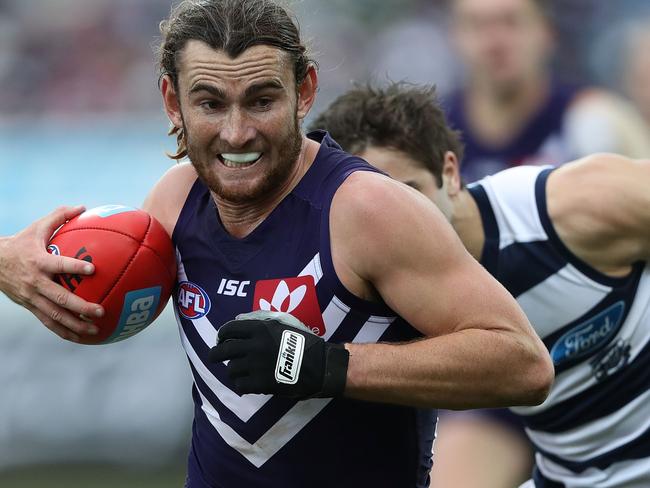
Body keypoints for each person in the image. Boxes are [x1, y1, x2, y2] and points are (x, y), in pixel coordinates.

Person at [0, 1, 554, 487]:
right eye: (211, 103)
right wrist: (12, 265)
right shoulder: (172, 205)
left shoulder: (365, 211)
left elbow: (523, 364)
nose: (237, 133)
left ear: (305, 91)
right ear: (173, 102)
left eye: (261, 100)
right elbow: (94, 280)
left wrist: (326, 365)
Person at [310, 81, 650, 487]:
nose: (395, 223)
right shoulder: (360, 279)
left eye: (409, 194)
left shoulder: (566, 209)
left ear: (450, 174)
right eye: (370, 212)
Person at [446, 0, 650, 182]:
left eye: (511, 22)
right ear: (454, 37)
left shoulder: (601, 120)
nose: (495, 42)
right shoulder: (433, 132)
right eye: (477, 25)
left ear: (547, 32)